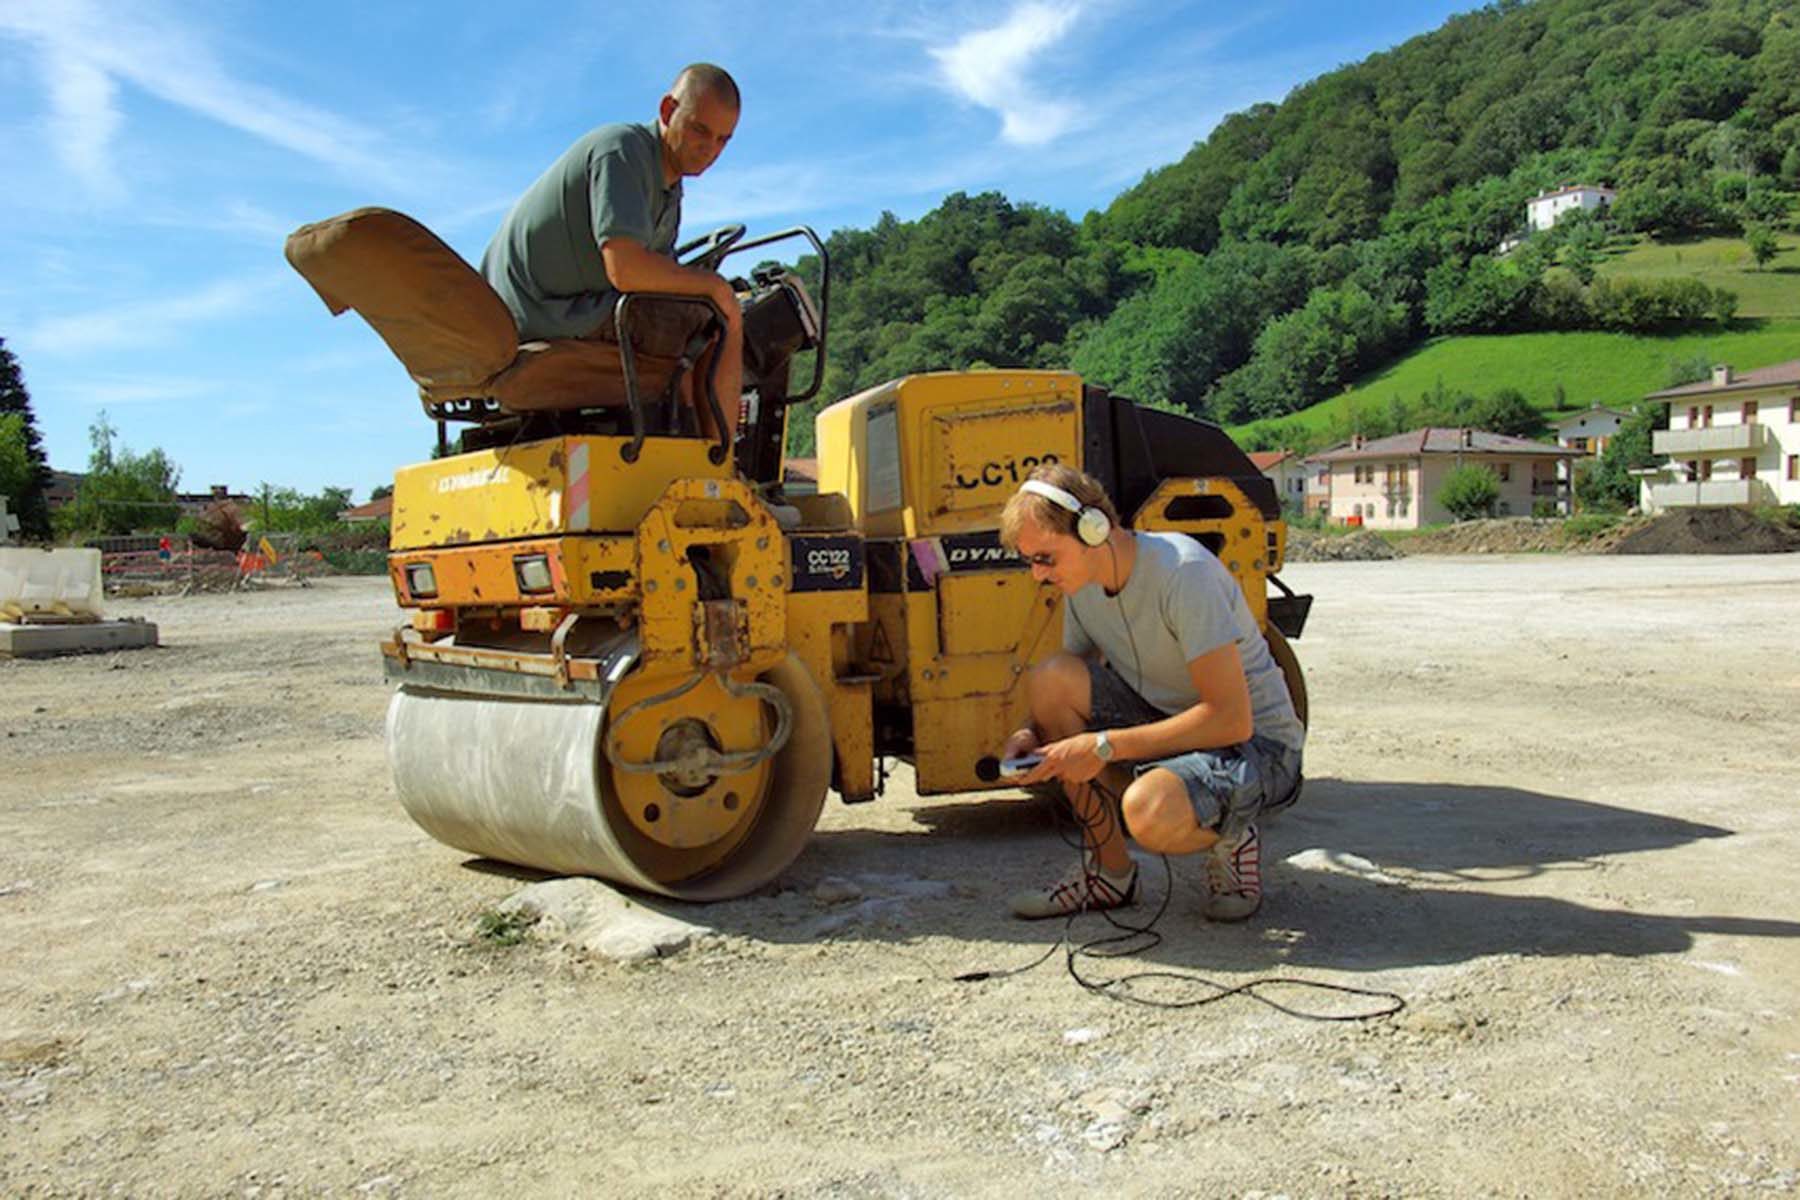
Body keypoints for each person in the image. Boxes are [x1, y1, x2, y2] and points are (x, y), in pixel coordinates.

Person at [996, 463, 1305, 922]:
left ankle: (1232, 835)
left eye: (1045, 558)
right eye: (1031, 562)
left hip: (1258, 745)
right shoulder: (1081, 587)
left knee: (1149, 810)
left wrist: (1103, 746)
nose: (1037, 575)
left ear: (1093, 529)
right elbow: (1068, 683)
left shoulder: (1184, 573)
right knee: (1051, 678)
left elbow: (1230, 720)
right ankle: (1110, 875)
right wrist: (1029, 734)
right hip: (1175, 726)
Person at [480, 63, 745, 440]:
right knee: (719, 317)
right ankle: (717, 459)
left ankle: (685, 445)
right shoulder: (622, 151)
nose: (711, 149)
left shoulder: (668, 188)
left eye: (723, 140)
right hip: (539, 312)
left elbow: (655, 276)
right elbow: (626, 269)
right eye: (700, 130)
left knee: (698, 312)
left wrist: (702, 283)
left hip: (560, 305)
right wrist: (716, 288)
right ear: (668, 111)